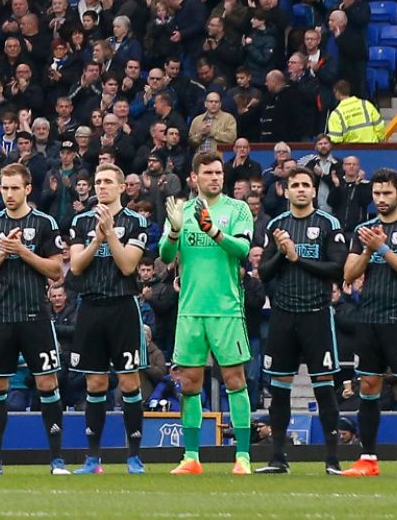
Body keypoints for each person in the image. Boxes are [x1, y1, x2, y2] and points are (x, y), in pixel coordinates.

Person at [0, 161, 66, 473]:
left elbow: (56, 271)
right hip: (0, 317)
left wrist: (22, 250)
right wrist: (3, 253)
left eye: (14, 188)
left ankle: (57, 460)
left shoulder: (45, 223)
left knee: (47, 383)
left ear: (27, 189)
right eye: (4, 188)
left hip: (36, 315)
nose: (8, 194)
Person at [163, 148, 256, 475]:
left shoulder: (238, 209)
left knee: (234, 379)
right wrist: (174, 230)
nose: (215, 177)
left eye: (218, 172)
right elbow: (164, 255)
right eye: (208, 173)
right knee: (189, 383)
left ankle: (242, 456)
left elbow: (243, 249)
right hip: (190, 310)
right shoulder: (182, 210)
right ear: (194, 177)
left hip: (226, 309)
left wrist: (213, 231)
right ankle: (191, 457)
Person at [333, 170, 397, 478]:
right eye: (377, 194)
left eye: (387, 193)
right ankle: (368, 458)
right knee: (369, 386)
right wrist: (368, 249)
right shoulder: (363, 229)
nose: (381, 199)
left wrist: (384, 249)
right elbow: (348, 275)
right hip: (369, 319)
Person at [63, 161, 149, 475]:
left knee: (128, 382)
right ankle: (92, 459)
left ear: (122, 187)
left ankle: (134, 456)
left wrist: (110, 234)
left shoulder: (137, 221)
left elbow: (128, 266)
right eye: (98, 181)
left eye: (107, 182)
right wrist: (97, 239)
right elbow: (75, 266)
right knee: (95, 382)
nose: (101, 186)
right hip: (90, 308)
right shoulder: (81, 221)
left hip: (122, 307)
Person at [256, 168, 343, 474]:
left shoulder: (328, 223)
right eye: (295, 185)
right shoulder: (277, 225)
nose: (301, 189)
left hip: (317, 315)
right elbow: (263, 272)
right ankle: (278, 458)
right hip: (283, 316)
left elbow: (337, 268)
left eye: (306, 184)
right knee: (279, 389)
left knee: (324, 388)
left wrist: (296, 258)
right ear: (287, 190)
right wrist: (281, 254)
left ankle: (332, 460)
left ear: (314, 190)